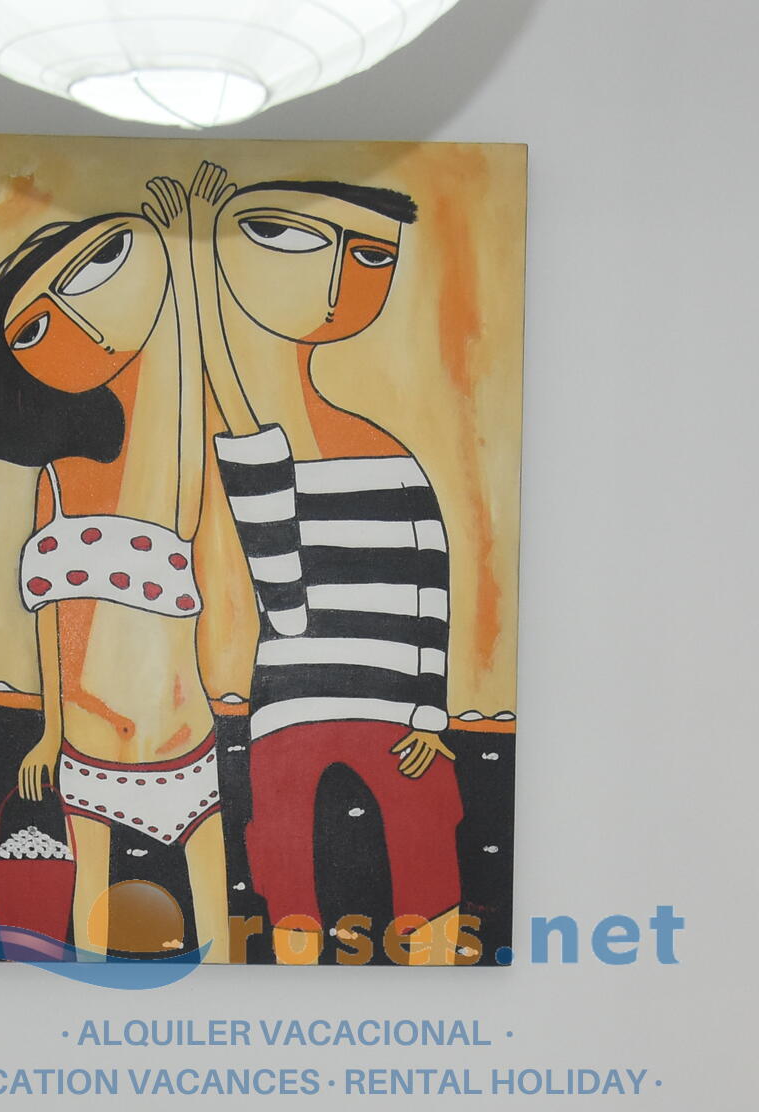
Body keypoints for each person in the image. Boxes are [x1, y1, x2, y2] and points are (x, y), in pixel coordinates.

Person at [190, 162, 467, 967]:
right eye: (287, 239)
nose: (341, 284)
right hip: (292, 704)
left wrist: (428, 712)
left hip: (390, 710)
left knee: (424, 840)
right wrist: (201, 266)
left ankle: (433, 963)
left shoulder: (395, 464)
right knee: (282, 855)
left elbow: (431, 591)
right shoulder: (263, 465)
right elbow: (285, 605)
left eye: (372, 255)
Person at [0, 176, 233, 961]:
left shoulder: (167, 467)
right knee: (90, 923)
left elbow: (177, 376)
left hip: (180, 732)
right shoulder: (53, 481)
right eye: (34, 330)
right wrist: (48, 730)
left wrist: (184, 254)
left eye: (98, 270)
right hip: (83, 739)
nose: (74, 331)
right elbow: (52, 622)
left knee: (216, 924)